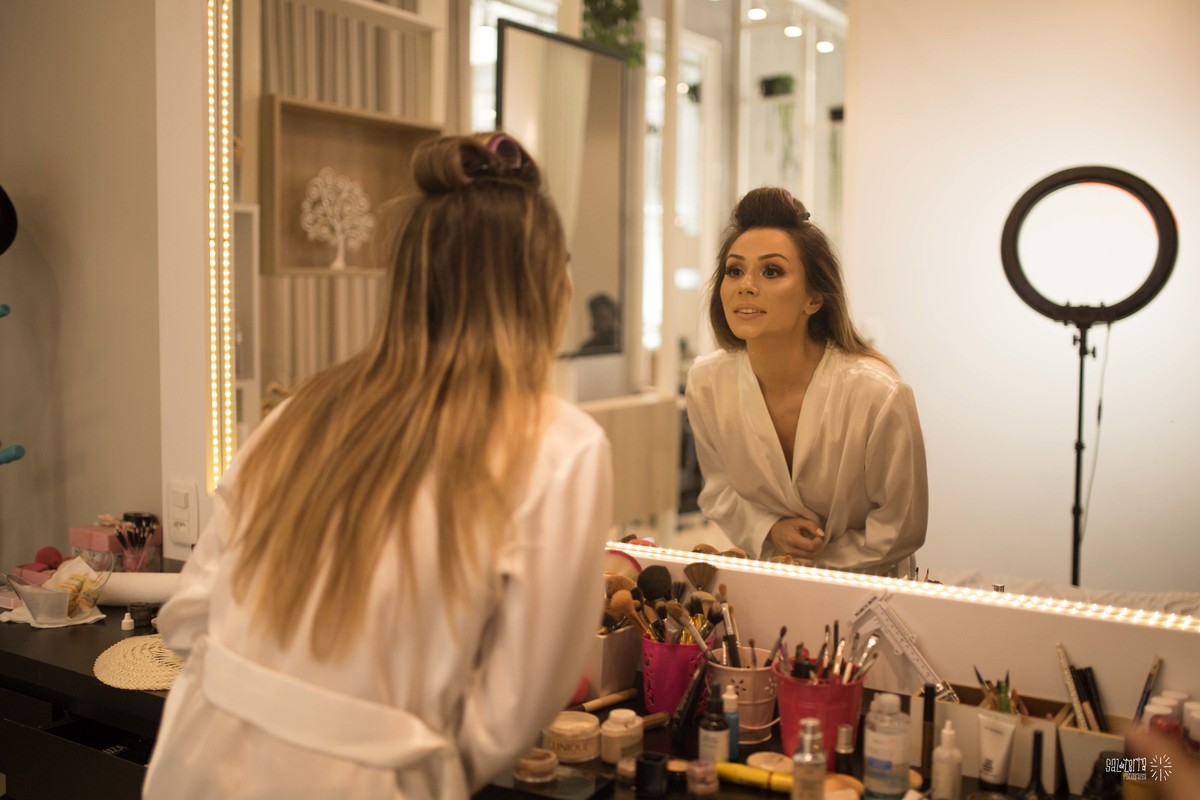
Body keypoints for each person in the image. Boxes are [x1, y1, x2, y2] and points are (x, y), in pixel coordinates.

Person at [143, 133, 613, 799]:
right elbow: (510, 717)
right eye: (560, 264)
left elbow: (189, 616)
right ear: (540, 287)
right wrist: (399, 754)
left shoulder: (299, 413)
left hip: (201, 757)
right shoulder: (560, 447)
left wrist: (265, 697)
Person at [684, 187, 927, 577]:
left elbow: (900, 526)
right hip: (770, 585)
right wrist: (770, 530)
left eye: (771, 271)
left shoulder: (877, 394)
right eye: (734, 270)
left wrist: (815, 563)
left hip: (869, 593)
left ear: (813, 298)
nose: (746, 284)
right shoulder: (707, 383)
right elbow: (719, 491)